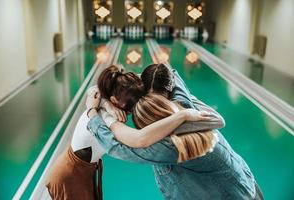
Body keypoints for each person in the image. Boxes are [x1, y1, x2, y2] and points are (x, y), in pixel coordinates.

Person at [86, 63, 264, 199]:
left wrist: (96, 112)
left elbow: (119, 147)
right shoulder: (181, 101)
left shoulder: (166, 145)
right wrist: (121, 91)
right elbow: (167, 71)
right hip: (245, 182)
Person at [45, 86, 213, 200]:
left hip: (82, 170)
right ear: (114, 99)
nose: (133, 109)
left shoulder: (104, 106)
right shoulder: (104, 117)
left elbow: (95, 89)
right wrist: (181, 116)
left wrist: (105, 104)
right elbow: (139, 139)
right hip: (68, 176)